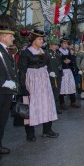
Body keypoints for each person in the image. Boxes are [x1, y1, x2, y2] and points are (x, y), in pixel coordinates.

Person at [18, 30, 59, 142]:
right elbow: (22, 70)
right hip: (32, 80)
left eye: (42, 39)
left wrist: (50, 74)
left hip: (43, 81)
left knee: (47, 104)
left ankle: (47, 130)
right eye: (39, 39)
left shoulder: (44, 52)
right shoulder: (26, 53)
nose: (42, 41)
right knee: (31, 106)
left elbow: (48, 65)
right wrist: (23, 87)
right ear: (33, 40)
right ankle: (30, 134)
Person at [0, 15, 18, 157]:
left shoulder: (6, 50)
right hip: (1, 91)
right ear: (3, 36)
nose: (13, 39)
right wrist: (3, 82)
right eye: (11, 36)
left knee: (2, 121)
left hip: (6, 92)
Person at [58, 38, 80, 110]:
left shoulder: (68, 51)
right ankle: (62, 103)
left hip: (69, 71)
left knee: (71, 85)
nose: (65, 45)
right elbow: (57, 61)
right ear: (61, 44)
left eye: (66, 43)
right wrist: (63, 62)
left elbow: (72, 59)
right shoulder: (58, 51)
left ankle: (73, 102)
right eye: (64, 43)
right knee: (62, 87)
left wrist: (70, 61)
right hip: (62, 71)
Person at [45, 32, 63, 114]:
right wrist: (49, 72)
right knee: (51, 93)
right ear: (50, 45)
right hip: (50, 76)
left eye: (57, 45)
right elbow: (44, 65)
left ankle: (56, 107)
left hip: (58, 75)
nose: (56, 46)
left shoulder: (58, 53)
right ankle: (51, 108)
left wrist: (61, 72)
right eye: (55, 44)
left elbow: (59, 63)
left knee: (57, 92)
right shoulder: (46, 53)